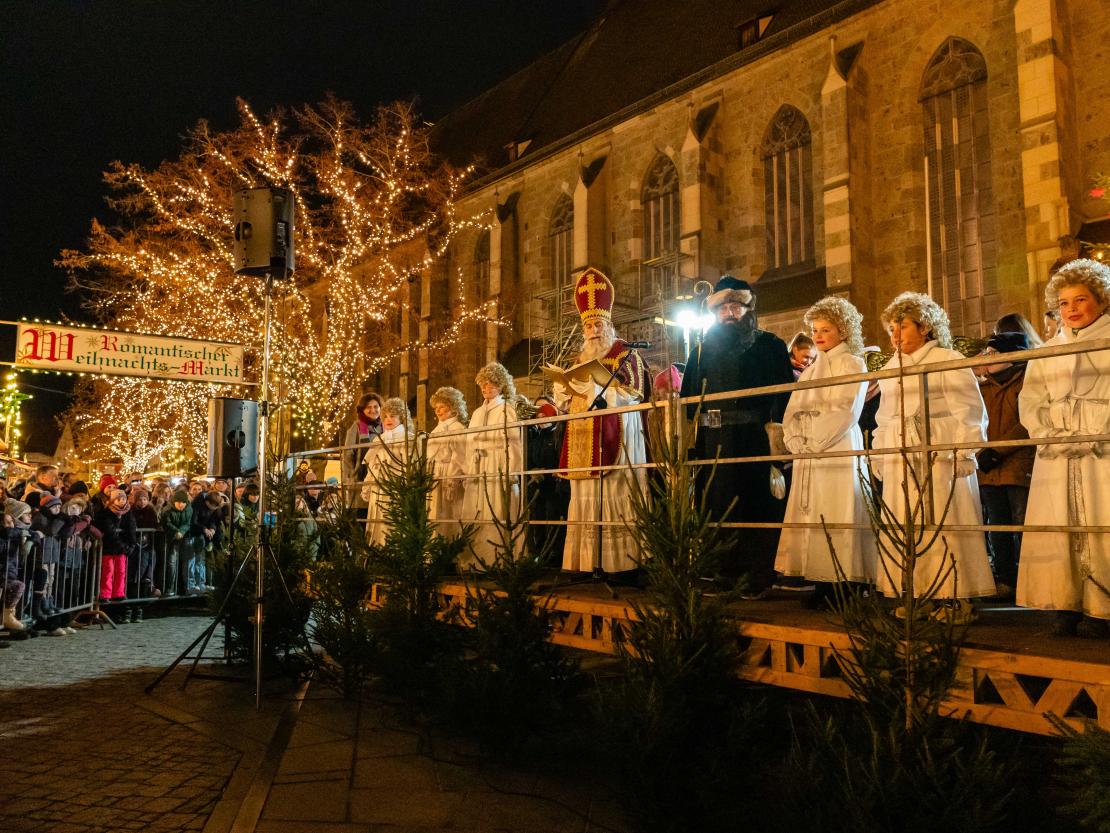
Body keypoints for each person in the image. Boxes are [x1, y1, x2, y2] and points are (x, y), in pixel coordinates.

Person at [872, 292, 995, 619]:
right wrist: (880, 452)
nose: (895, 336)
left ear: (924, 326)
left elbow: (969, 409)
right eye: (891, 329)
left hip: (939, 449)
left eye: (902, 327)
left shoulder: (947, 359)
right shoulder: (892, 366)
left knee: (945, 518)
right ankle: (919, 591)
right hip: (901, 450)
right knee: (907, 521)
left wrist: (965, 449)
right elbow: (885, 415)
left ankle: (954, 596)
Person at [679, 275, 794, 593]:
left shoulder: (770, 346)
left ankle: (757, 575)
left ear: (748, 308)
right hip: (713, 441)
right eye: (723, 308)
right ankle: (721, 572)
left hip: (753, 438)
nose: (729, 313)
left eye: (735, 307)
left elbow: (785, 395)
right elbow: (687, 402)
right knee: (716, 504)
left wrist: (778, 439)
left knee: (756, 504)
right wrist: (690, 445)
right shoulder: (700, 352)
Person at [1017, 259, 1110, 637]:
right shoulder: (1049, 350)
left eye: (1080, 300)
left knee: (1101, 520)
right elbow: (1031, 399)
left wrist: (1098, 428)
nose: (1071, 309)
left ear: (1101, 300)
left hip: (1100, 448)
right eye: (1064, 303)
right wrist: (1048, 432)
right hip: (1059, 449)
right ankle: (1065, 601)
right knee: (1061, 524)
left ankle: (1102, 607)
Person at [774, 297, 874, 605]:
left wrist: (815, 438)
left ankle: (844, 582)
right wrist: (795, 438)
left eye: (825, 330)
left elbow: (846, 410)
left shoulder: (852, 364)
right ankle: (819, 580)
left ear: (843, 330)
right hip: (810, 451)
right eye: (815, 330)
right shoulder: (810, 371)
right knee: (815, 512)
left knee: (838, 508)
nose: (817, 336)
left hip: (836, 445)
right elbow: (794, 409)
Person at [551, 267, 650, 574]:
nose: (593, 330)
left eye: (598, 324)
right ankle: (585, 562)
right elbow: (564, 402)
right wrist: (563, 389)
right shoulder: (578, 360)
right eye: (588, 325)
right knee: (585, 495)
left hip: (619, 434)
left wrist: (596, 388)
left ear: (609, 325)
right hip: (582, 438)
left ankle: (621, 563)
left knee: (614, 491)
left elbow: (635, 393)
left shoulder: (625, 354)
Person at [976, 331, 1035, 601]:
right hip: (989, 467)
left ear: (1013, 355)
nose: (987, 358)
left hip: (1017, 462)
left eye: (994, 353)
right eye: (987, 353)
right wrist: (981, 451)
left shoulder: (1026, 382)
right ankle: (1005, 579)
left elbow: (1026, 422)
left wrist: (998, 451)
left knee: (1022, 523)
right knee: (997, 524)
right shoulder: (984, 387)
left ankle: (1029, 579)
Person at [461, 362, 523, 567]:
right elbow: (469, 442)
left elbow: (513, 442)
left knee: (496, 508)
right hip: (478, 465)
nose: (486, 388)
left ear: (501, 385)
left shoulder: (506, 409)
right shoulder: (477, 413)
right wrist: (469, 468)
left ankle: (498, 558)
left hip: (497, 463)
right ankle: (478, 559)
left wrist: (512, 470)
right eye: (483, 384)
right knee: (478, 509)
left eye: (491, 384)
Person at [361, 397, 412, 546]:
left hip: (396, 487)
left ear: (402, 417)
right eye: (385, 416)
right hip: (378, 487)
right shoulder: (379, 440)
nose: (388, 420)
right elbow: (372, 465)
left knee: (393, 522)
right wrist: (367, 485)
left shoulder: (408, 439)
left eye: (393, 416)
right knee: (377, 521)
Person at [526, 395, 571, 564]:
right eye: (538, 414)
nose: (541, 418)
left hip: (554, 487)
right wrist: (531, 470)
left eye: (545, 414)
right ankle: (539, 554)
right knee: (537, 521)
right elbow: (529, 456)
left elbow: (560, 457)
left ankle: (555, 555)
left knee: (553, 519)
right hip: (537, 486)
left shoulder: (559, 434)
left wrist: (550, 471)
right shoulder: (535, 436)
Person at [427, 386, 469, 536]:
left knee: (449, 512)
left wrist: (452, 479)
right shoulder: (436, 429)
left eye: (442, 407)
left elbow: (460, 456)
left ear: (453, 407)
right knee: (434, 513)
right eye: (436, 408)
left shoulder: (457, 428)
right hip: (435, 475)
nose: (438, 411)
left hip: (449, 474)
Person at [94, 488, 138, 608]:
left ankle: (119, 593)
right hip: (110, 547)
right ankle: (105, 594)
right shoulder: (106, 513)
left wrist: (132, 544)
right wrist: (123, 546)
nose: (121, 501)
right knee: (108, 571)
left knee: (121, 571)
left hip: (122, 548)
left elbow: (132, 529)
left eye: (123, 498)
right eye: (118, 499)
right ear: (112, 501)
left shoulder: (128, 512)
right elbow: (110, 532)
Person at [343, 392, 384, 510]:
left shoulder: (384, 427)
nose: (373, 410)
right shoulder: (356, 427)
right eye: (368, 407)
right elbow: (348, 455)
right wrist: (350, 478)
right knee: (362, 512)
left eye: (376, 406)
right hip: (360, 479)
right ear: (362, 410)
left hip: (381, 479)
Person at [162, 490, 192, 596]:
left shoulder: (189, 509)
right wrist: (176, 531)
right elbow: (167, 523)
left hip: (184, 537)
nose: (181, 504)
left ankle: (183, 587)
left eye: (183, 502)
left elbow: (187, 523)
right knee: (172, 562)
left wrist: (182, 531)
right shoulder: (167, 510)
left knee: (185, 562)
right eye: (178, 502)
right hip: (172, 539)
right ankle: (170, 587)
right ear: (174, 501)